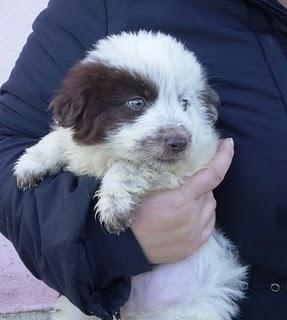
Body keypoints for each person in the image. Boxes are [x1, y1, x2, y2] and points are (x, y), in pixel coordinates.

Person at [0, 0, 286, 319]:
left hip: (200, 299)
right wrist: (104, 242)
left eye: (183, 101)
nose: (177, 131)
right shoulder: (99, 9)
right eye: (137, 103)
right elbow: (13, 140)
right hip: (109, 301)